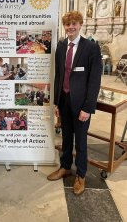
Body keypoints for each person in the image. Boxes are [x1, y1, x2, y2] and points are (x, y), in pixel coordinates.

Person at [47, 10, 101, 195]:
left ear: (80, 25)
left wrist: (88, 107)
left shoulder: (91, 48)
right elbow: (59, 76)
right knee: (66, 137)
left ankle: (81, 175)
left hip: (81, 105)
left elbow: (95, 81)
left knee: (81, 142)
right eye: (68, 24)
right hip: (64, 101)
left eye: (74, 24)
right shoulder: (62, 47)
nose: (70, 27)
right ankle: (65, 167)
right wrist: (55, 102)